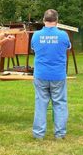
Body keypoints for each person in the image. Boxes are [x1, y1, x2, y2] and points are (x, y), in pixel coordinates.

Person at [31, 9, 71, 140]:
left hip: (41, 74)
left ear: (43, 20)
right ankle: (59, 134)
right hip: (58, 75)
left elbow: (33, 49)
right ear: (57, 20)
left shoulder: (36, 35)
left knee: (40, 104)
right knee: (59, 104)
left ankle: (38, 134)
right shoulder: (63, 35)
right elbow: (68, 47)